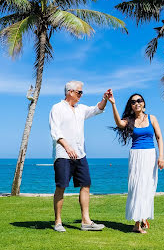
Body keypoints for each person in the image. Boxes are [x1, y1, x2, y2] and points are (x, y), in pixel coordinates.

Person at [49, 80, 108, 232]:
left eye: (82, 92)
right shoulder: (57, 108)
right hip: (63, 154)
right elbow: (55, 132)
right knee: (61, 186)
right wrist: (67, 147)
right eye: (79, 92)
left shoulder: (80, 109)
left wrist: (105, 99)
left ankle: (86, 221)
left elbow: (97, 109)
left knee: (86, 185)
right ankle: (58, 222)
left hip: (80, 154)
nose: (82, 95)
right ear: (70, 92)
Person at [105, 89, 164, 234]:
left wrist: (161, 156)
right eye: (133, 102)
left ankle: (143, 217)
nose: (136, 103)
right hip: (136, 156)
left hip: (150, 155)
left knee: (148, 187)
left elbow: (159, 137)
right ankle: (136, 224)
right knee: (137, 187)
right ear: (131, 106)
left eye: (139, 101)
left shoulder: (152, 118)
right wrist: (113, 104)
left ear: (143, 103)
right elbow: (119, 123)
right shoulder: (129, 121)